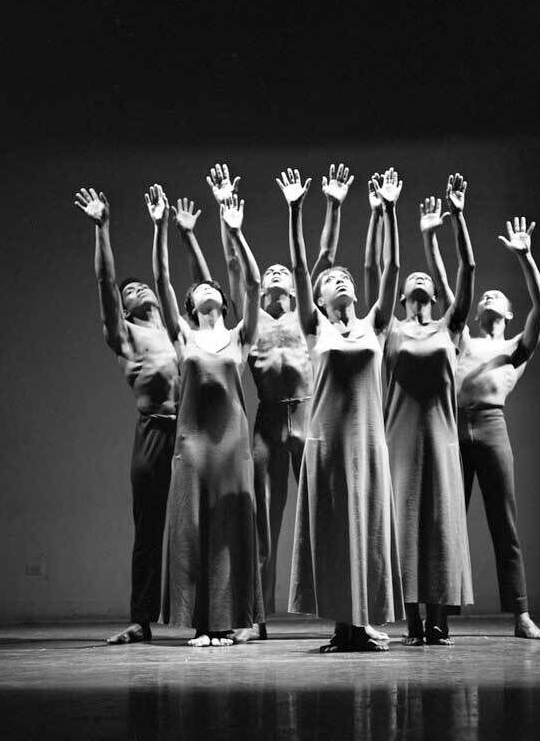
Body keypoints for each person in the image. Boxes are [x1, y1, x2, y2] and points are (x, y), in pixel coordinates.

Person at [205, 162, 359, 639]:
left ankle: (346, 617)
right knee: (263, 527)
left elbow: (322, 254)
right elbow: (235, 269)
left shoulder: (308, 319)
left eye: (281, 271)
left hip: (309, 413)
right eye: (267, 271)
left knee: (327, 518)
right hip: (269, 421)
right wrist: (225, 213)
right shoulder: (251, 322)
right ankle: (257, 619)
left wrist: (330, 204)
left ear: (295, 287)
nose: (273, 272)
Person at [73, 187, 210, 645]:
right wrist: (103, 227)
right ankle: (141, 619)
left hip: (193, 433)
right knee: (150, 529)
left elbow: (199, 288)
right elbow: (104, 284)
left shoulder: (178, 330)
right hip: (155, 432)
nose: (137, 287)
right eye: (128, 291)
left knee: (203, 525)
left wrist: (162, 229)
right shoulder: (126, 337)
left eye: (141, 285)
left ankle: (216, 614)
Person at [282, 166, 404, 652]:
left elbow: (391, 271)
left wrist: (390, 212)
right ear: (320, 296)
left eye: (346, 277)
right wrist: (296, 211)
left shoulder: (375, 324)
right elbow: (300, 268)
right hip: (328, 441)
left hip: (368, 441)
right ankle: (343, 627)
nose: (341, 280)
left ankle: (361, 622)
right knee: (336, 532)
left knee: (367, 528)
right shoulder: (316, 328)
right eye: (332, 279)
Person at [150, 184, 264, 647]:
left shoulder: (240, 336)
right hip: (192, 445)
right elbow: (162, 281)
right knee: (193, 528)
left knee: (229, 531)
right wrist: (160, 229)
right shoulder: (183, 337)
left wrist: (236, 233)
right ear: (192, 304)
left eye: (209, 287)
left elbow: (253, 285)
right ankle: (203, 625)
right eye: (196, 290)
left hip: (233, 445)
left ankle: (230, 623)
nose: (202, 291)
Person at [378, 176, 475, 646]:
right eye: (411, 281)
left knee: (438, 524)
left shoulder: (448, 327)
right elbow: (386, 266)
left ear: (437, 295)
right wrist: (389, 215)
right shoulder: (390, 329)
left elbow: (469, 269)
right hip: (398, 436)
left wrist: (453, 220)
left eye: (426, 281)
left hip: (440, 436)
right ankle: (412, 622)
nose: (418, 280)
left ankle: (439, 619)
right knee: (405, 524)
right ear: (400, 297)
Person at [454, 216, 540, 639]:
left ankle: (521, 614)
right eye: (485, 296)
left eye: (499, 296)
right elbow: (459, 286)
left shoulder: (515, 348)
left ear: (509, 314)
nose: (490, 296)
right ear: (476, 313)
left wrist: (525, 257)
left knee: (503, 525)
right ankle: (439, 614)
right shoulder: (462, 342)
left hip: (492, 427)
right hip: (454, 427)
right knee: (447, 523)